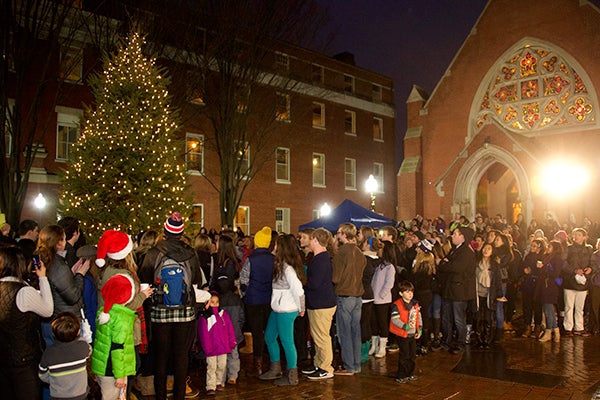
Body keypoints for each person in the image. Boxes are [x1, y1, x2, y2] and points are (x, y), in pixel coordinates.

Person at [139, 212, 203, 400]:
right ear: (181, 232)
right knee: (181, 356)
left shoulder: (154, 252)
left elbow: (144, 282)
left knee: (161, 356)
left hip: (160, 311)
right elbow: (196, 282)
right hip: (185, 311)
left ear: (165, 231)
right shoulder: (191, 253)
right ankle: (179, 396)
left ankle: (160, 396)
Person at [94, 230, 155, 398]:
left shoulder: (107, 270)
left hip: (108, 325)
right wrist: (143, 295)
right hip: (123, 327)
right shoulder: (122, 276)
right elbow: (125, 305)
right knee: (125, 369)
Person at [0, 246, 53, 399]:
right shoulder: (23, 291)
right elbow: (48, 310)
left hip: (3, 358)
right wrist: (42, 277)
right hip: (23, 361)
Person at [259, 234, 306, 386]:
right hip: (278, 309)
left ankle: (292, 376)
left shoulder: (288, 269)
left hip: (286, 310)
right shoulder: (280, 265)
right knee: (270, 337)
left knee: (287, 342)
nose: (274, 247)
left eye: (276, 245)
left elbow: (298, 290)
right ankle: (276, 368)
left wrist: (301, 308)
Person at [36, 225, 89, 346]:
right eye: (64, 239)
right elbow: (72, 296)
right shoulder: (58, 266)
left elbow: (57, 285)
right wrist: (80, 275)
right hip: (63, 323)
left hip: (50, 320)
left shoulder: (42, 260)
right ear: (58, 243)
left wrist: (71, 273)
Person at [91, 273, 138, 399]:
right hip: (113, 371)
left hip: (102, 368)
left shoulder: (104, 312)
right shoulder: (122, 318)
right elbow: (117, 348)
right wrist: (120, 375)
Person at [302, 228, 337, 381]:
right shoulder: (320, 258)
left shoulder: (321, 259)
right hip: (318, 302)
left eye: (311, 238)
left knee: (322, 337)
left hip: (322, 304)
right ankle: (318, 363)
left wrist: (302, 281)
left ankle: (326, 368)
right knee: (318, 337)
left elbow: (314, 283)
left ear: (315, 239)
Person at [239, 226, 274, 376]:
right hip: (269, 299)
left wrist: (244, 294)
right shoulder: (274, 259)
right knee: (269, 330)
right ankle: (272, 360)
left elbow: (243, 281)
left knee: (256, 331)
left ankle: (258, 362)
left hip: (253, 299)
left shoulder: (250, 259)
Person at [332, 223, 367, 375]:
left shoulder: (341, 253)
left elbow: (335, 278)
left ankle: (349, 366)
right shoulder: (360, 252)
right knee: (355, 332)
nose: (337, 235)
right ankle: (356, 364)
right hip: (357, 295)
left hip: (345, 295)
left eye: (339, 232)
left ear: (344, 235)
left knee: (345, 332)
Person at [436, 226, 476, 354]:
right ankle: (446, 342)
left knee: (459, 319)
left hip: (459, 291)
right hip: (449, 289)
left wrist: (443, 264)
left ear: (462, 237)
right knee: (446, 317)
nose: (452, 236)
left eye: (455, 234)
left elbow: (456, 268)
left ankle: (460, 343)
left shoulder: (466, 252)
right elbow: (450, 266)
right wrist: (446, 264)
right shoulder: (454, 250)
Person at [39, 312, 91, 400]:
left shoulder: (49, 353)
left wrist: (54, 380)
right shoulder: (83, 346)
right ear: (78, 331)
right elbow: (89, 352)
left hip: (58, 396)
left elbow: (42, 375)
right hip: (81, 395)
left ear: (53, 334)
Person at [197, 292, 236, 396]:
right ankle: (210, 385)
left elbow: (230, 329)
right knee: (211, 367)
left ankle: (219, 382)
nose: (215, 304)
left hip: (223, 347)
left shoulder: (224, 315)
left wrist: (232, 341)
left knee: (222, 365)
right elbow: (203, 334)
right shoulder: (204, 318)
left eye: (217, 302)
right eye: (212, 302)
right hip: (211, 348)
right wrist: (207, 347)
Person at [214, 274, 244, 386]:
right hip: (234, 333)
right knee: (234, 354)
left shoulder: (217, 301)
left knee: (221, 356)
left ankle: (220, 379)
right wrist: (238, 328)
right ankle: (233, 376)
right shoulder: (237, 299)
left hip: (220, 334)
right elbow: (242, 317)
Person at [562, 228, 593, 336]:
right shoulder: (568, 248)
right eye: (575, 234)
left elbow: (592, 262)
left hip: (583, 282)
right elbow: (563, 263)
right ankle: (568, 327)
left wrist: (590, 269)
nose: (576, 237)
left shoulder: (588, 249)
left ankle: (579, 327)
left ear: (584, 237)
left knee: (580, 307)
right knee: (569, 306)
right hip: (570, 281)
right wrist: (574, 270)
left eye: (579, 235)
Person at [390, 281, 422, 384]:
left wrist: (419, 329)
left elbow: (419, 317)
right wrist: (406, 326)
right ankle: (401, 375)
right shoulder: (396, 305)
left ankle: (410, 373)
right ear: (401, 293)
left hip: (412, 334)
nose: (410, 294)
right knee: (404, 355)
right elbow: (395, 320)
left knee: (412, 355)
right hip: (402, 334)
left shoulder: (415, 304)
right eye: (407, 292)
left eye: (411, 291)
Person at [369, 239, 395, 358]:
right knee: (374, 323)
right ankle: (374, 345)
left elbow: (389, 283)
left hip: (383, 300)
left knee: (382, 323)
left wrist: (381, 294)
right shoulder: (378, 265)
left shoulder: (390, 267)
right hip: (374, 298)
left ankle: (382, 347)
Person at [535, 240, 564, 342]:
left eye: (550, 247)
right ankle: (555, 331)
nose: (547, 248)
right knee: (548, 309)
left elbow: (556, 273)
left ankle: (549, 331)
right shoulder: (546, 257)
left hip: (550, 286)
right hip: (544, 285)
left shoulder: (557, 259)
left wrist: (545, 267)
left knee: (548, 309)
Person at [520, 239, 545, 338]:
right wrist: (525, 270)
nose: (532, 248)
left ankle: (537, 327)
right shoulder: (528, 256)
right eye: (532, 245)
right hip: (528, 284)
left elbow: (543, 270)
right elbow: (523, 266)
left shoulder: (542, 257)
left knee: (537, 306)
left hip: (537, 284)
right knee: (527, 306)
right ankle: (528, 327)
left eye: (535, 246)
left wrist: (537, 269)